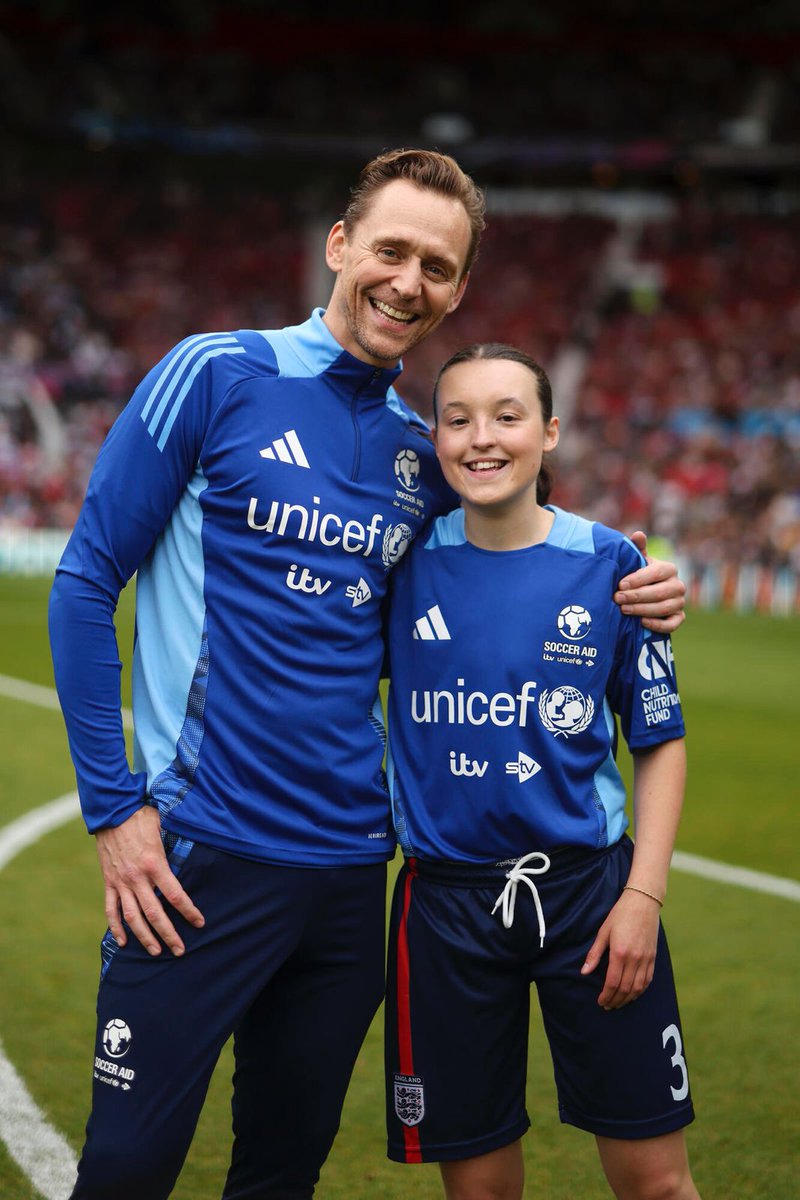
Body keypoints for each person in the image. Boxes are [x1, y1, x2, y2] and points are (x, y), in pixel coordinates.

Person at [49, 150, 687, 1200]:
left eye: (436, 266)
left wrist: (642, 581)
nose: (407, 280)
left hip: (353, 878)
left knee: (281, 1173)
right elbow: (84, 582)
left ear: (457, 291)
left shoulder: (418, 454)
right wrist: (114, 808)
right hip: (199, 859)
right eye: (389, 249)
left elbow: (526, 541)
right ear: (339, 247)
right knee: (125, 1168)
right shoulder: (215, 373)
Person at [384, 343, 701, 1200]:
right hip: (445, 907)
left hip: (593, 901)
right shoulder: (399, 567)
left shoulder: (614, 568)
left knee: (658, 1183)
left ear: (550, 432)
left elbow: (660, 741)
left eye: (507, 415)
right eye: (458, 419)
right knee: (479, 1191)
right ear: (436, 437)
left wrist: (643, 896)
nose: (481, 438)